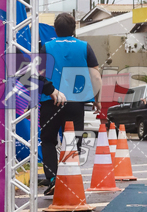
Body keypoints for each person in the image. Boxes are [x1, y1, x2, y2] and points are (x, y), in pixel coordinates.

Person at [39, 12, 102, 196]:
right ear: (74, 29)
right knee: (74, 141)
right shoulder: (84, 47)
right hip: (77, 101)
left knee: (49, 141)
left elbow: (39, 75)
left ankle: (52, 179)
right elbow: (95, 75)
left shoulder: (46, 46)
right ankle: (69, 179)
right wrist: (97, 100)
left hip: (51, 101)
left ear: (55, 30)